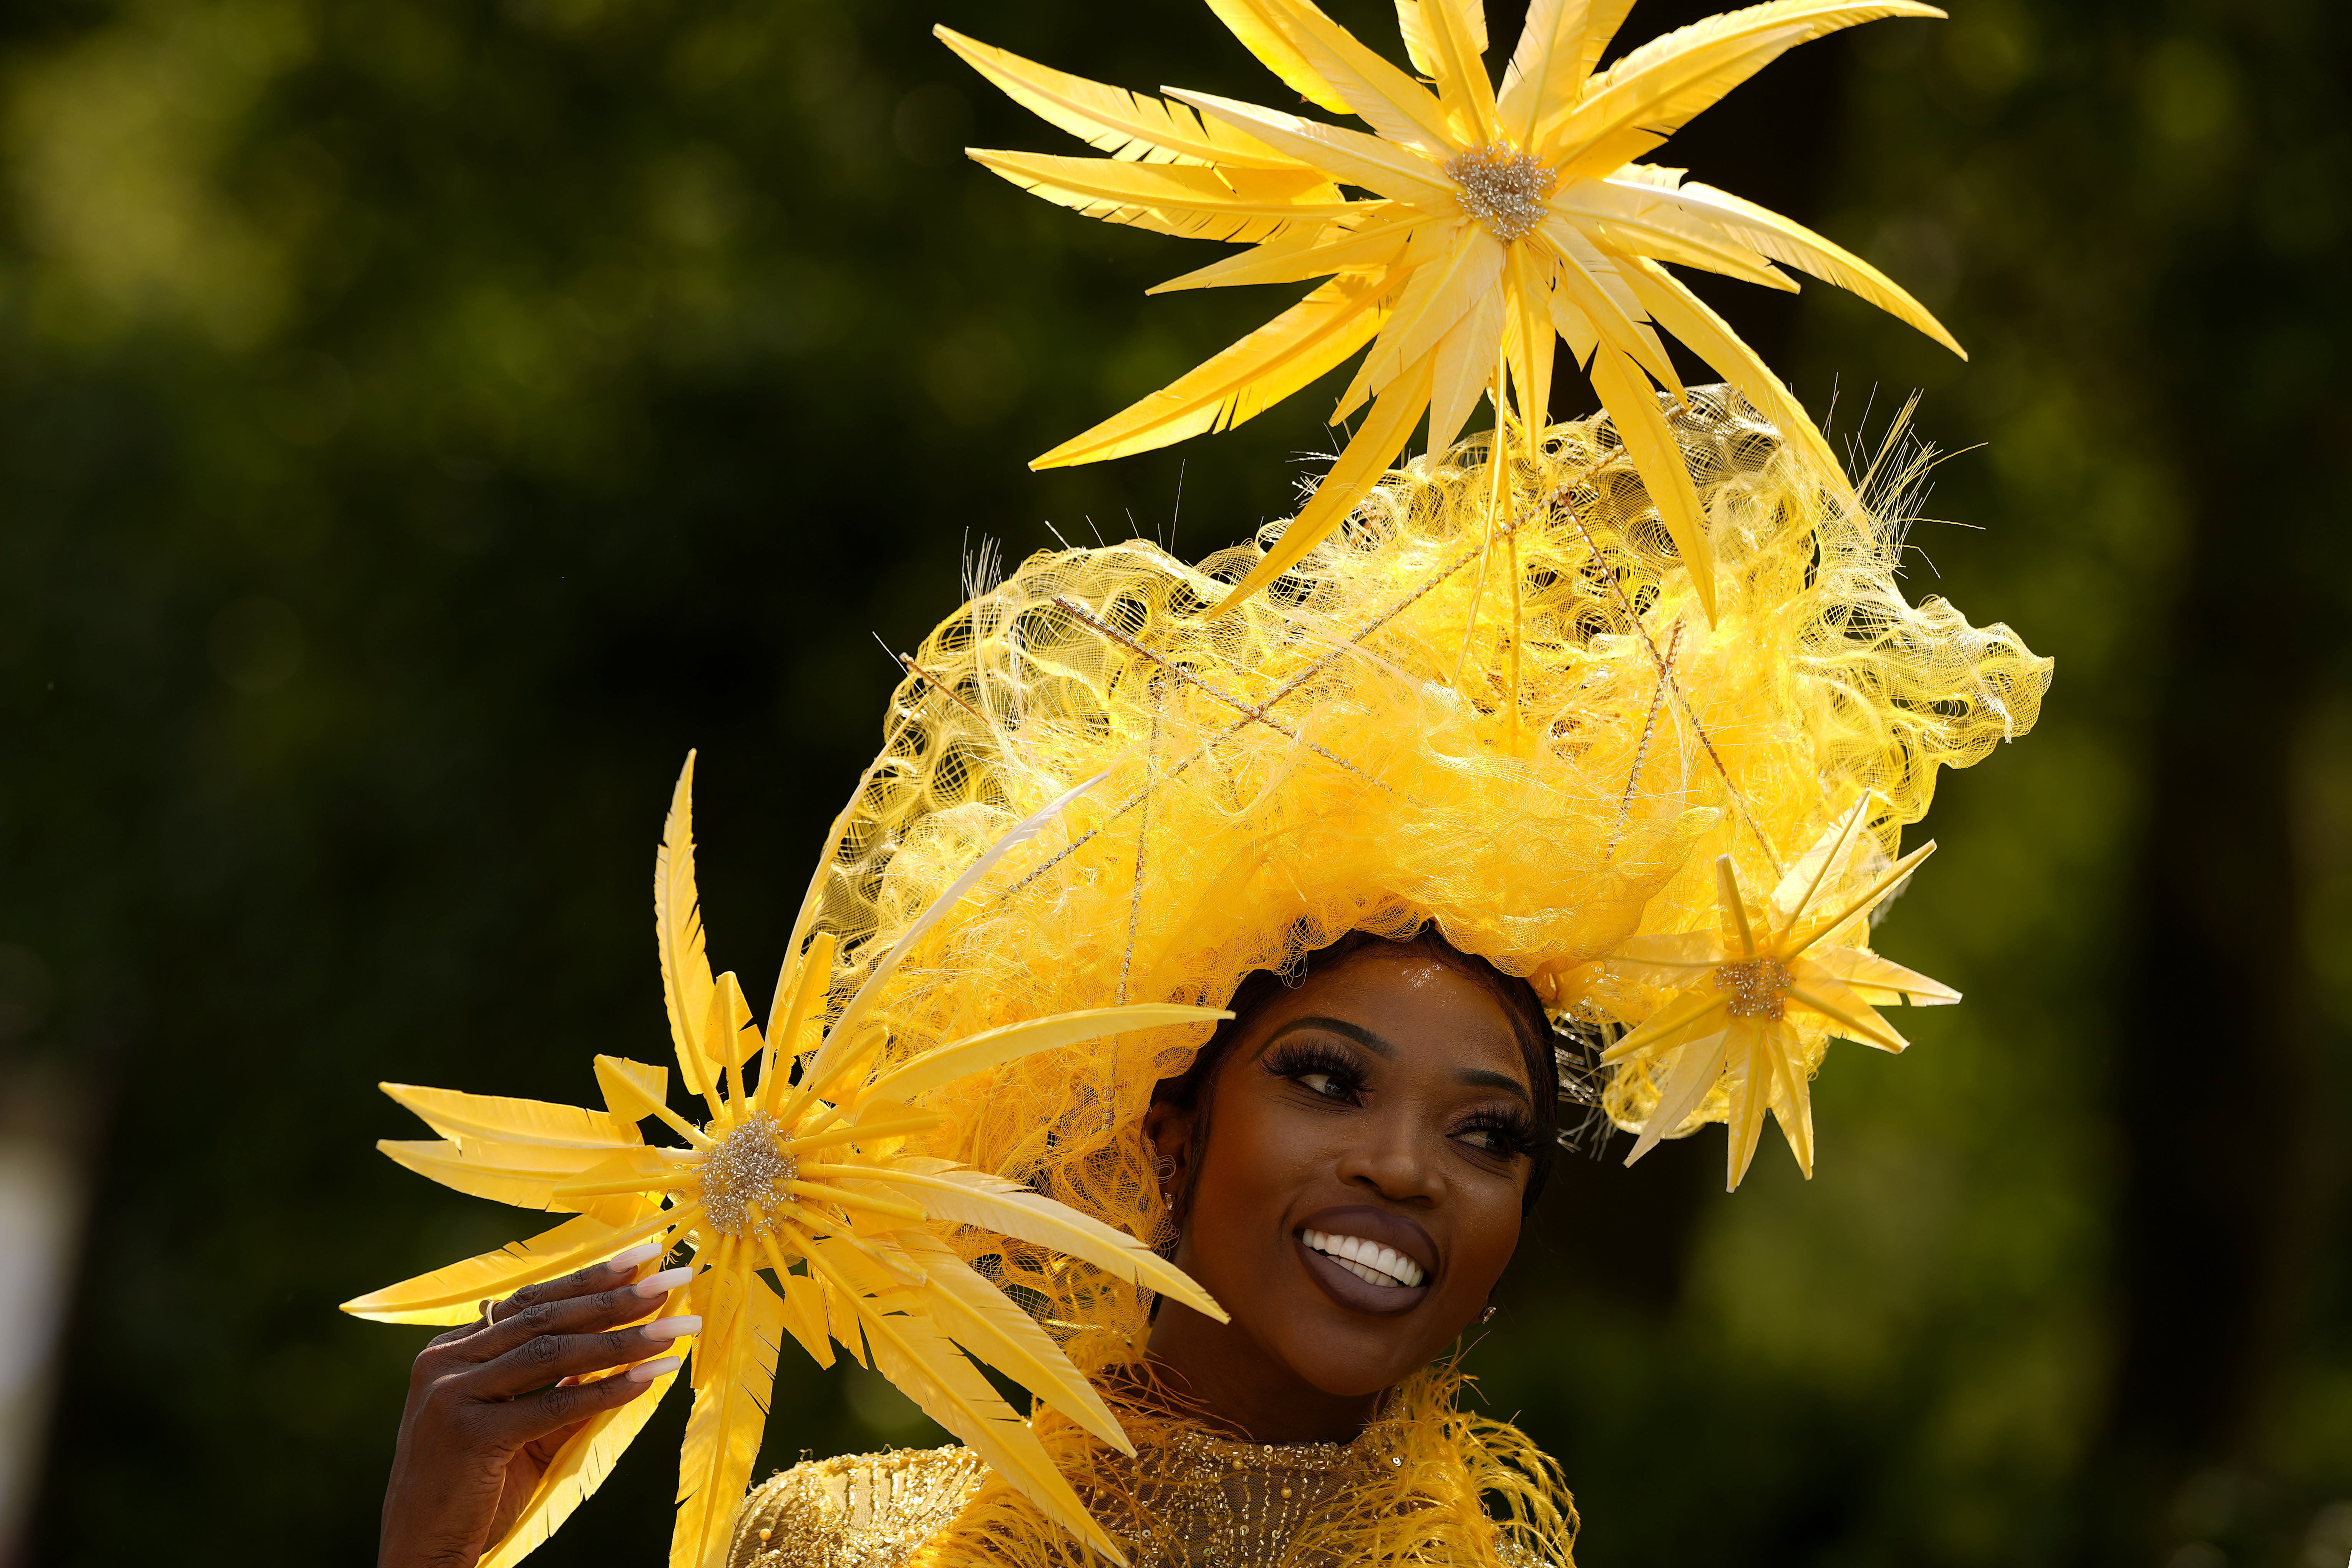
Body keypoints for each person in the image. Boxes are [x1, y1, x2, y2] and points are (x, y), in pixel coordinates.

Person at [380, 928, 1576, 1567]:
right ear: (1171, 1138)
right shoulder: (840, 1545)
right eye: (1327, 1079)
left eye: (1487, 1133)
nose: (1408, 1166)